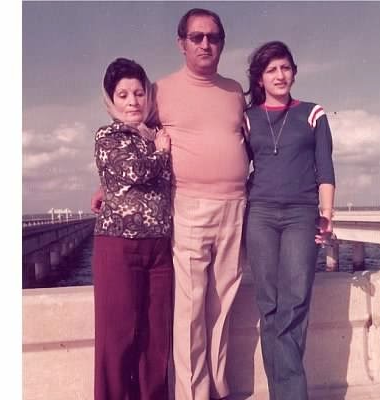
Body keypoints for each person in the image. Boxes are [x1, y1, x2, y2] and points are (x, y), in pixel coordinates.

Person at [91, 9, 249, 400]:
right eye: (197, 37)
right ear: (182, 43)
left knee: (224, 302)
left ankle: (219, 389)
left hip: (234, 205)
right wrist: (106, 185)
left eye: (213, 37)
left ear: (222, 42)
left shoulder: (234, 91)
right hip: (188, 206)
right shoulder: (160, 91)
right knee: (190, 308)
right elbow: (131, 132)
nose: (206, 44)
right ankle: (193, 394)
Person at [243, 41, 336, 400]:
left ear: (294, 72)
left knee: (294, 303)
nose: (279, 75)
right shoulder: (248, 119)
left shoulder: (314, 114)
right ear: (260, 78)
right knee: (269, 307)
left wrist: (326, 216)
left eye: (285, 68)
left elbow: (325, 169)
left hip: (301, 214)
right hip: (260, 215)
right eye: (271, 70)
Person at [92, 57, 173, 400]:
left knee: (156, 339)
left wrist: (158, 145)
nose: (132, 102)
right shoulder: (108, 135)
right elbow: (134, 172)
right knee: (118, 337)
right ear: (111, 100)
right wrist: (162, 153)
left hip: (160, 247)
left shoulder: (154, 134)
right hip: (118, 246)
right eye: (123, 95)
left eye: (139, 93)